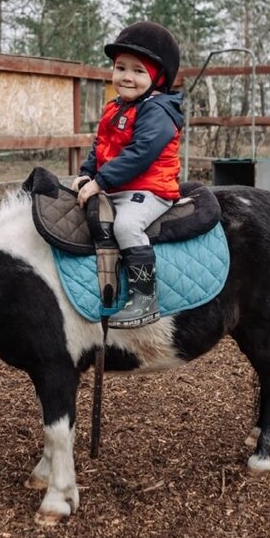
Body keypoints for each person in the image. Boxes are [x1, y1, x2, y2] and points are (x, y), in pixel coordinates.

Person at [73, 21, 184, 329]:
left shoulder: (158, 111)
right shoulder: (115, 107)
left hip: (151, 189)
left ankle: (145, 296)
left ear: (158, 78)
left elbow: (140, 154)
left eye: (138, 71)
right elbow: (101, 145)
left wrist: (100, 182)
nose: (126, 77)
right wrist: (86, 173)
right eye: (121, 67)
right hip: (119, 185)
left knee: (126, 225)